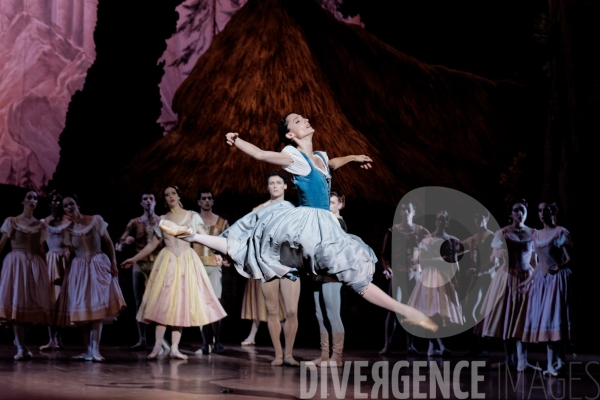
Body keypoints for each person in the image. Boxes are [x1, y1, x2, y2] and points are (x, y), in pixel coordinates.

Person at [161, 113, 438, 337]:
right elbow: (260, 155)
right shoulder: (293, 156)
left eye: (302, 117)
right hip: (308, 224)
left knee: (353, 276)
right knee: (252, 248)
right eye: (296, 120)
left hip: (323, 226)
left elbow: (331, 165)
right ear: (291, 135)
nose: (304, 119)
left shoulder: (319, 156)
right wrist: (237, 141)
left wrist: (353, 158)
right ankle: (194, 235)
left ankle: (404, 311)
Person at [121, 185, 227, 360]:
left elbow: (203, 238)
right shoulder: (161, 220)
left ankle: (175, 348)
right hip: (168, 261)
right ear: (164, 199)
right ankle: (156, 346)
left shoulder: (192, 216)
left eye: (173, 194)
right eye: (166, 194)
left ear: (179, 196)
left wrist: (217, 254)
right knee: (164, 304)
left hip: (186, 261)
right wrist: (134, 259)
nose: (170, 196)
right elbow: (152, 245)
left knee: (180, 305)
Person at [54, 194, 126, 361]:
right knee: (84, 311)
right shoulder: (68, 228)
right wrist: (64, 265)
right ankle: (87, 350)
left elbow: (108, 242)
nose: (69, 207)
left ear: (78, 205)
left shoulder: (95, 220)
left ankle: (96, 349)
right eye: (65, 206)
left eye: (71, 203)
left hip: (98, 264)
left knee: (97, 309)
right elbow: (70, 252)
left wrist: (114, 264)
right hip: (79, 268)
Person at [477, 198, 541, 372]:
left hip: (527, 278)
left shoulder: (534, 233)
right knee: (506, 317)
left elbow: (534, 261)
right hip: (507, 277)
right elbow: (493, 259)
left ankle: (522, 360)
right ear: (511, 213)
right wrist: (498, 255)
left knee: (523, 319)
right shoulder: (503, 233)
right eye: (515, 210)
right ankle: (509, 358)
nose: (519, 213)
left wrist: (534, 279)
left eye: (522, 210)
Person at [520, 201, 573, 376]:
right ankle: (556, 364)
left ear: (553, 212)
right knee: (545, 322)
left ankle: (554, 365)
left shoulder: (560, 232)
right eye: (540, 210)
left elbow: (569, 258)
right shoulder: (536, 234)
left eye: (546, 210)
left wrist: (560, 266)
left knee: (552, 321)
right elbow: (538, 265)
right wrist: (527, 283)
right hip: (542, 283)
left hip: (556, 281)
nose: (542, 213)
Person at [0, 189, 52, 360]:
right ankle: (21, 347)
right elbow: (2, 243)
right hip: (16, 263)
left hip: (34, 264)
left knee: (34, 307)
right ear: (23, 201)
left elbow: (42, 248)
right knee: (17, 303)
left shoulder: (41, 225)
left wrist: (45, 268)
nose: (32, 200)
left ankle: (19, 340)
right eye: (29, 197)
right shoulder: (12, 221)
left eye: (35, 198)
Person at [240, 171, 288, 350]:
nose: (275, 185)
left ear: (285, 186)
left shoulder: (290, 210)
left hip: (282, 262)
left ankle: (285, 342)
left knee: (282, 301)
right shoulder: (258, 209)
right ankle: (253, 335)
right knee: (260, 298)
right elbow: (249, 235)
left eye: (278, 182)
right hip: (261, 260)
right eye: (271, 183)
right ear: (268, 187)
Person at [407, 210, 463, 356]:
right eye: (439, 219)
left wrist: (456, 277)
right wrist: (437, 260)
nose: (441, 222)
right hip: (430, 276)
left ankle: (433, 347)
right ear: (435, 221)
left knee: (439, 312)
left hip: (445, 277)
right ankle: (440, 345)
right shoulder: (427, 240)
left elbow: (455, 261)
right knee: (432, 311)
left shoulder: (452, 240)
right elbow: (419, 260)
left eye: (444, 220)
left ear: (447, 222)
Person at [379, 200, 430, 356]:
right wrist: (387, 268)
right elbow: (384, 254)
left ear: (413, 212)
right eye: (402, 209)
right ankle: (387, 345)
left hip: (415, 273)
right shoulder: (393, 231)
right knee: (393, 310)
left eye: (408, 209)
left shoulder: (421, 231)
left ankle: (410, 345)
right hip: (399, 274)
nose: (405, 212)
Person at [116, 191, 164, 351]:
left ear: (156, 202)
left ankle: (160, 340)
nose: (148, 201)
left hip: (158, 263)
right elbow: (119, 244)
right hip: (140, 263)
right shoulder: (134, 222)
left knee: (159, 300)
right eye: (145, 199)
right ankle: (142, 338)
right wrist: (124, 243)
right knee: (140, 301)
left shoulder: (162, 220)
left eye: (151, 198)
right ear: (141, 203)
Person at [308, 190, 347, 366]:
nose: (329, 206)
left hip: (331, 274)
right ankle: (324, 354)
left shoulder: (338, 223)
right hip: (318, 274)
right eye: (327, 203)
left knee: (333, 314)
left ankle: (337, 356)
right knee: (320, 314)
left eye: (332, 202)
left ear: (340, 204)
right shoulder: (323, 223)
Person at [192, 188, 229, 355]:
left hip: (214, 266)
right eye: (203, 198)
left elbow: (228, 244)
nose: (207, 201)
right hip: (197, 266)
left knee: (216, 303)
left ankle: (218, 340)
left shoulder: (222, 222)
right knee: (201, 305)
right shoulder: (192, 221)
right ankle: (205, 343)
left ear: (213, 201)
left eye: (209, 198)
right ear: (199, 202)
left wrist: (226, 258)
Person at [462, 208, 495, 357]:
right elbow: (459, 246)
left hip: (487, 277)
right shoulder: (473, 238)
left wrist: (478, 270)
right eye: (476, 217)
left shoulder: (491, 237)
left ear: (486, 219)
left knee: (484, 312)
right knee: (470, 310)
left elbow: (494, 262)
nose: (478, 220)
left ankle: (485, 346)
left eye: (480, 217)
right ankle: (478, 344)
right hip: (476, 277)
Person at [40, 191, 70, 351]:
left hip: (67, 258)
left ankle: (60, 337)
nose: (57, 204)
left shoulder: (69, 221)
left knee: (64, 299)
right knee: (51, 299)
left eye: (59, 201)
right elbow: (39, 244)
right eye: (54, 200)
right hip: (51, 259)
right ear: (49, 203)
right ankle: (52, 338)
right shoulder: (44, 222)